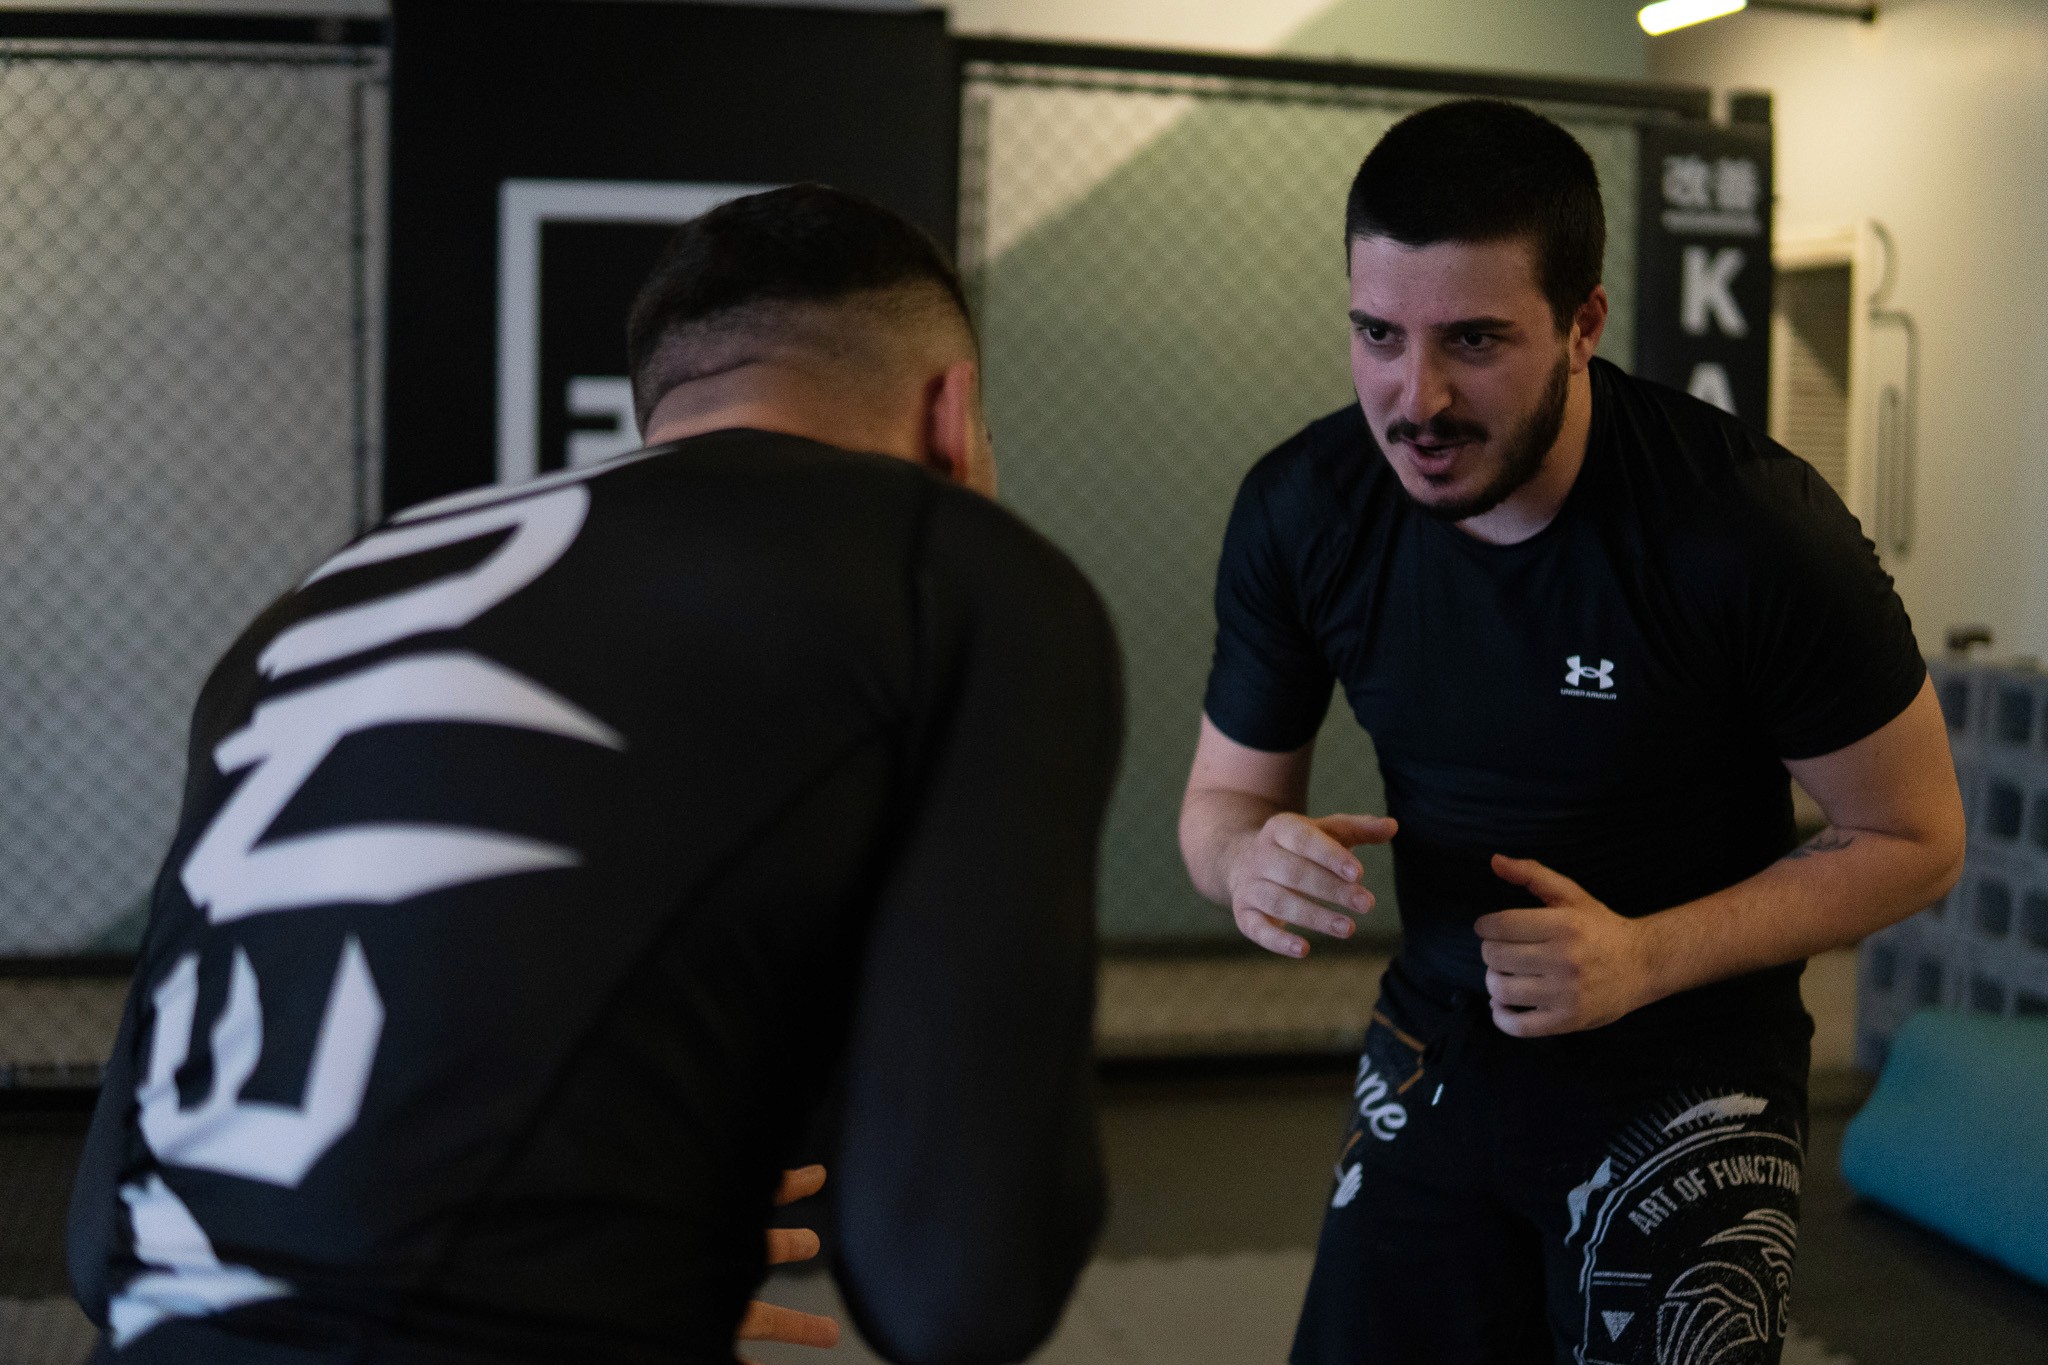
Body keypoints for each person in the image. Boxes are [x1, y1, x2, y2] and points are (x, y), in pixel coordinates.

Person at [68, 184, 1124, 1365]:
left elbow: (98, 1233)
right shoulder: (958, 568)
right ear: (953, 412)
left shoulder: (313, 609)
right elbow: (960, 1291)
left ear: (662, 405)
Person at [1178, 100, 1964, 1364]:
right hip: (1435, 1037)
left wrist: (1645, 956)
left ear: (1583, 325)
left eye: (1474, 341)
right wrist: (1243, 862)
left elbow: (1916, 837)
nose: (1413, 397)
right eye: (1375, 334)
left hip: (1686, 1052)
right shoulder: (1304, 507)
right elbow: (1217, 806)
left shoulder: (1745, 528)